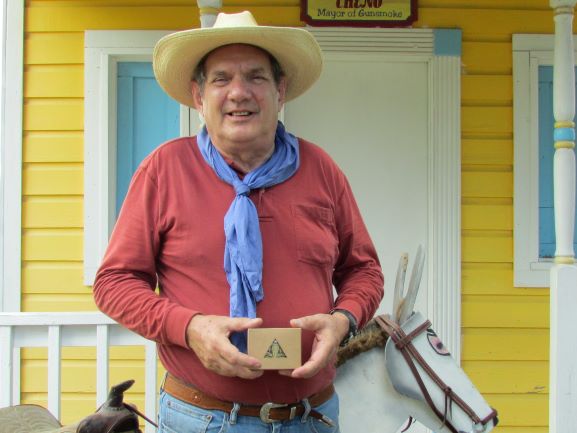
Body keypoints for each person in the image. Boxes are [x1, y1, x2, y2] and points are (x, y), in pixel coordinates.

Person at [93, 10, 384, 433]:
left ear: (280, 90)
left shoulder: (320, 169)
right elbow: (114, 282)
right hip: (201, 418)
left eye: (255, 77)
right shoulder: (164, 170)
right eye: (221, 79)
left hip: (312, 418)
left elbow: (364, 270)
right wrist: (189, 328)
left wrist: (343, 321)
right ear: (198, 95)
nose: (238, 92)